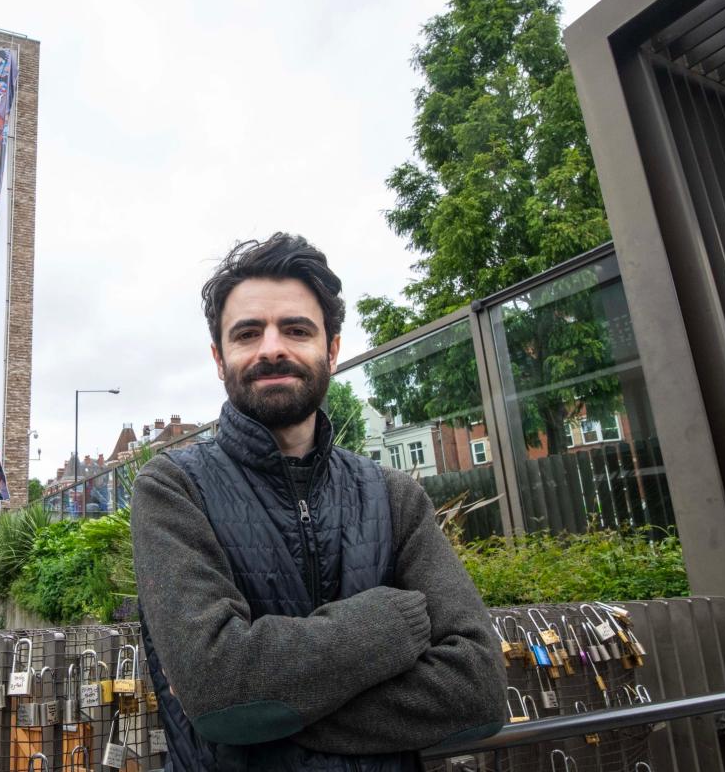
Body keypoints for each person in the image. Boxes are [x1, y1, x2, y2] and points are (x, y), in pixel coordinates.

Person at [130, 233, 505, 771]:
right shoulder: (173, 488)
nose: (271, 348)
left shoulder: (394, 496)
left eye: (297, 330)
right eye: (248, 333)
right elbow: (220, 689)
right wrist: (386, 625)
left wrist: (268, 718)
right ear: (219, 357)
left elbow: (478, 688)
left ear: (331, 349)